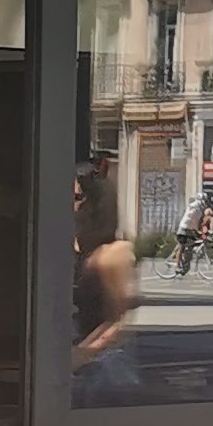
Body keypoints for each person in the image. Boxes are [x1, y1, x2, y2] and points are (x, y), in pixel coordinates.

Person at [73, 170, 139, 397]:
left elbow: (118, 322)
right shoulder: (74, 247)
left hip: (100, 367)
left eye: (79, 198)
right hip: (72, 362)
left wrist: (82, 354)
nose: (74, 206)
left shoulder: (114, 253)